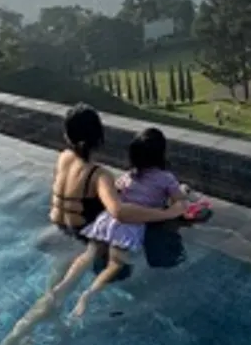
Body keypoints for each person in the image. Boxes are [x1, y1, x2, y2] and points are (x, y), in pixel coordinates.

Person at [0, 106, 185, 345]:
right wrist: (166, 213)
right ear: (100, 137)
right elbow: (120, 212)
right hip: (78, 239)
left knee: (53, 294)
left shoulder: (64, 157)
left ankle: (44, 332)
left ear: (67, 136)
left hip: (57, 232)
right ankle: (11, 343)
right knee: (59, 293)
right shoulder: (99, 175)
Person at [68, 127, 186, 319]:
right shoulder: (166, 179)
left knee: (88, 255)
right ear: (161, 154)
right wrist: (182, 193)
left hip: (108, 221)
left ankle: (65, 285)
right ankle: (87, 295)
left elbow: (117, 190)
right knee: (115, 264)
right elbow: (179, 202)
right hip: (129, 226)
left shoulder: (129, 175)